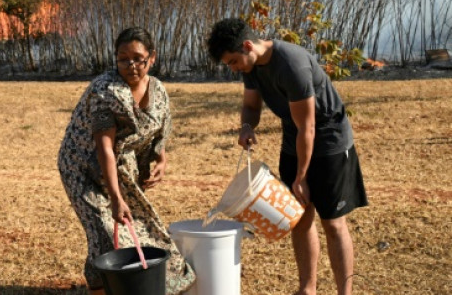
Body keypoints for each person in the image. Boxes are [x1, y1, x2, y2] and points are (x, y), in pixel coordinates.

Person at [206, 18, 368, 295]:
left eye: (233, 61)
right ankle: (307, 289)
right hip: (295, 140)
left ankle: (345, 293)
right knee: (298, 216)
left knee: (333, 223)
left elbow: (309, 126)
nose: (233, 68)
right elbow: (250, 105)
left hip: (329, 141)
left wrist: (302, 177)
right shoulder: (251, 65)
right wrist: (247, 126)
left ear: (247, 46)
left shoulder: (291, 64)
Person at [58, 27, 195, 295]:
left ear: (151, 58)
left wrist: (161, 160)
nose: (131, 65)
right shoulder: (106, 92)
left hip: (122, 170)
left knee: (143, 230)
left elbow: (159, 130)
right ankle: (101, 289)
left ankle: (128, 286)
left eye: (138, 58)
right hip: (83, 168)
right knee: (105, 229)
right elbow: (104, 148)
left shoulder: (157, 90)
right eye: (123, 59)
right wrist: (116, 198)